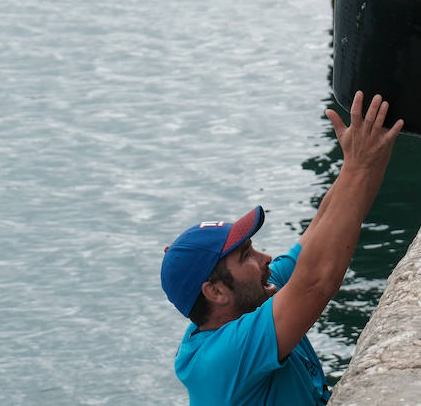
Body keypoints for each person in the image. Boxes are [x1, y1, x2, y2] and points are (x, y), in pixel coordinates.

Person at [160, 91, 402, 405]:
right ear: (216, 292)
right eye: (246, 256)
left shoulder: (256, 296)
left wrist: (367, 156)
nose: (266, 259)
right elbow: (316, 282)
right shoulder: (223, 358)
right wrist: (357, 169)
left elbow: (323, 225)